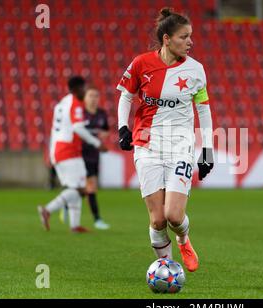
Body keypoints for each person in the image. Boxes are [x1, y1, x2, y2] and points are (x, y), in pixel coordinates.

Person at [116, 8, 214, 272]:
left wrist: (207, 150)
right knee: (158, 220)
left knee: (173, 215)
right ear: (167, 39)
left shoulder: (196, 70)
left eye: (191, 36)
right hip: (147, 146)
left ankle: (183, 239)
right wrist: (122, 128)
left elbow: (203, 109)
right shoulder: (141, 63)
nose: (190, 42)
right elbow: (126, 95)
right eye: (184, 37)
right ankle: (167, 268)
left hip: (180, 146)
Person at [37, 76, 106, 233]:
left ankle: (74, 225)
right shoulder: (75, 103)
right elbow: (78, 128)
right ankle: (47, 210)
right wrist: (97, 143)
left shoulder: (62, 103)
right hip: (68, 150)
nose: (85, 91)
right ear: (76, 89)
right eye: (83, 88)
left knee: (78, 186)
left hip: (59, 148)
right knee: (81, 189)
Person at [81, 86, 110, 229]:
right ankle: (97, 219)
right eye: (90, 95)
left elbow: (105, 130)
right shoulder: (80, 113)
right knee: (90, 186)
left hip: (94, 155)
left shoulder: (102, 114)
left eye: (96, 96)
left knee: (87, 187)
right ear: (85, 98)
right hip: (79, 154)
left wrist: (103, 135)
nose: (93, 99)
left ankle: (67, 204)